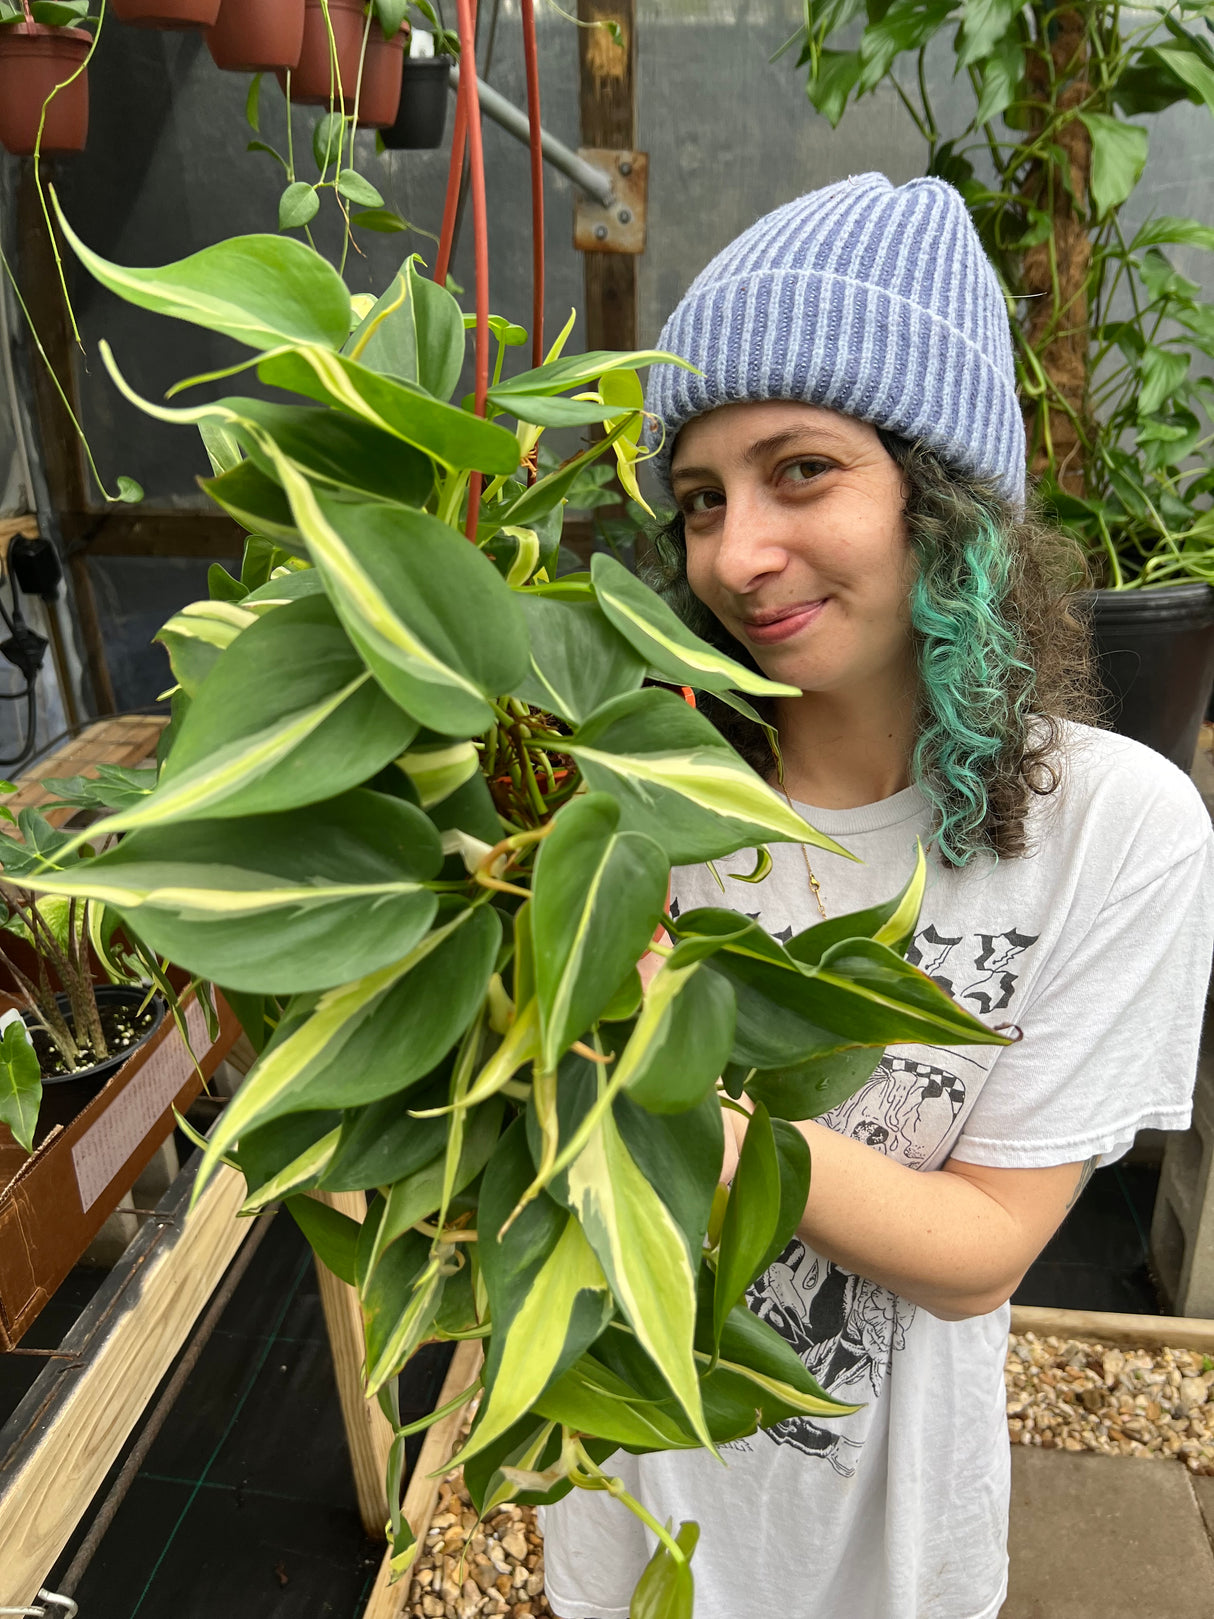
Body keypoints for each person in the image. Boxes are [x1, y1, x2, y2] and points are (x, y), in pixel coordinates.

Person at [540, 173, 1214, 1619]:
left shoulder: (1113, 829)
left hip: (891, 1558)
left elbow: (976, 1252)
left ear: (945, 497)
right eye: (701, 499)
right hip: (625, 1510)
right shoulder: (632, 793)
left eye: (800, 472)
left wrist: (655, 1068)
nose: (734, 555)